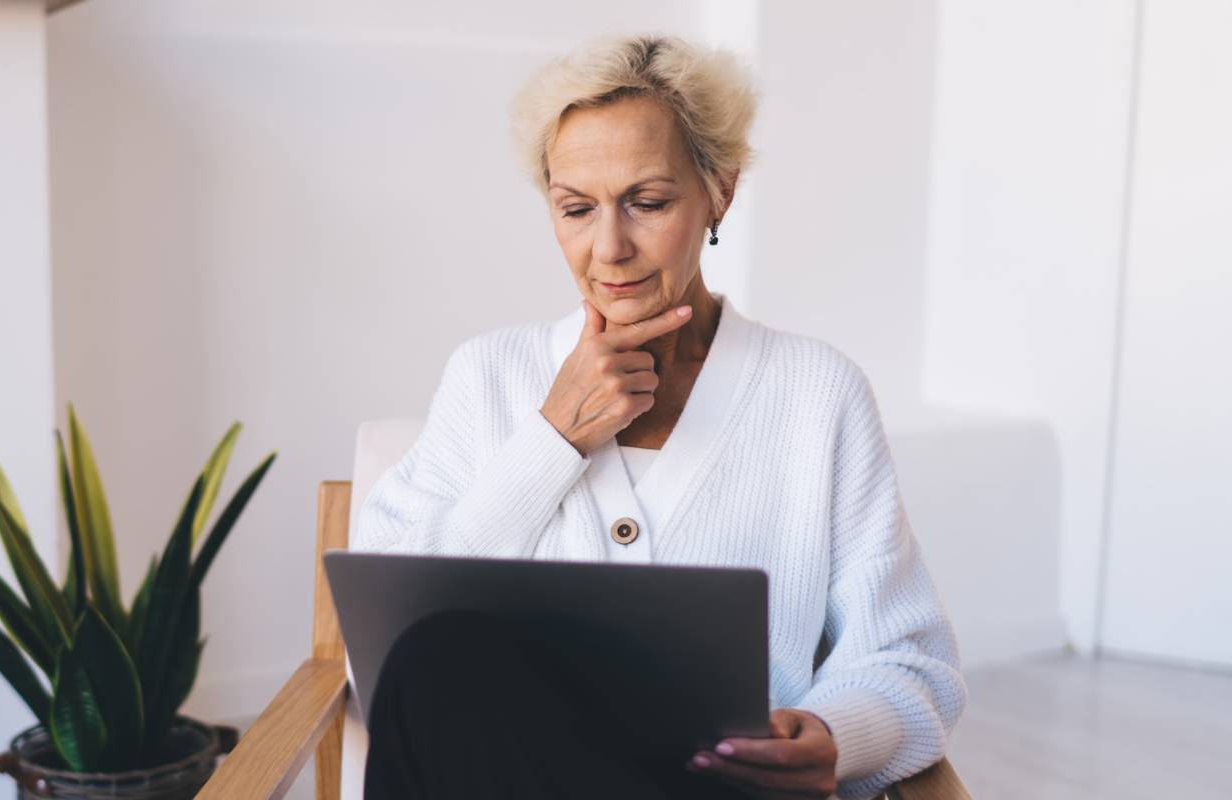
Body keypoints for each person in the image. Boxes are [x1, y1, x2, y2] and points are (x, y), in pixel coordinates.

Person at [351, 33, 965, 800]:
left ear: (719, 191)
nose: (609, 248)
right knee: (439, 654)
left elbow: (910, 663)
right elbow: (382, 655)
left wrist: (837, 734)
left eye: (648, 202)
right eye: (576, 208)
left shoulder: (817, 394)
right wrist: (550, 441)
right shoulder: (489, 378)